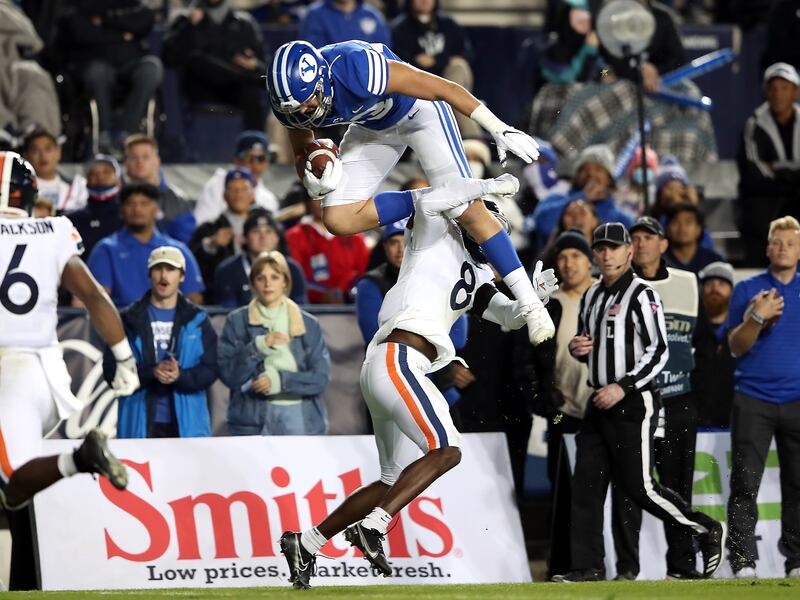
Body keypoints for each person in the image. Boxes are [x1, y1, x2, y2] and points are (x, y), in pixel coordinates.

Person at [277, 191, 557, 589]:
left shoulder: (476, 277)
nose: (493, 241)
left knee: (391, 479)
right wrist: (476, 184)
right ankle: (374, 526)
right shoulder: (435, 240)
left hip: (391, 365)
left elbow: (509, 318)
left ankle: (307, 542)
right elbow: (428, 202)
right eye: (489, 230)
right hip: (399, 360)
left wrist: (535, 299)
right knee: (447, 448)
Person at [267, 38, 555, 345]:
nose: (306, 112)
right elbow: (303, 150)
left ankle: (531, 304)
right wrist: (312, 177)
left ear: (323, 77)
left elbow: (445, 89)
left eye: (309, 102)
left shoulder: (357, 67)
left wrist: (496, 126)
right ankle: (434, 197)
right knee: (339, 219)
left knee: (469, 211)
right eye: (297, 109)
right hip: (372, 127)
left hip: (419, 113)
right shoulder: (292, 104)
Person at [552, 221, 724, 582]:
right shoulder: (593, 296)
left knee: (640, 488)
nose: (606, 254)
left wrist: (624, 386)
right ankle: (587, 568)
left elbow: (660, 350)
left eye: (613, 247)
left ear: (629, 252)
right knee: (585, 486)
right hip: (597, 403)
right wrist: (577, 349)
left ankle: (705, 528)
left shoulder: (643, 294)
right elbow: (590, 346)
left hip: (633, 403)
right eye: (600, 248)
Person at [0, 152, 138, 587]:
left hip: (7, 374)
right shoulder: (54, 229)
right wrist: (124, 356)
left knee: (9, 480)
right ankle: (25, 581)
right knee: (15, 489)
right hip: (43, 368)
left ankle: (80, 457)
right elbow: (94, 296)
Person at [611, 216, 715, 580]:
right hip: (636, 403)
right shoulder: (614, 286)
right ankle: (627, 569)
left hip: (678, 401)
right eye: (634, 238)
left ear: (663, 245)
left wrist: (693, 396)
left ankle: (683, 566)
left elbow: (703, 345)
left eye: (647, 237)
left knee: (677, 487)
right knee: (630, 487)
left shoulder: (688, 283)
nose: (640, 243)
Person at [725, 216, 800, 579]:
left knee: (799, 483)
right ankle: (742, 560)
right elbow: (735, 347)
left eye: (790, 242)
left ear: (799, 249)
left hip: (798, 400)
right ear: (767, 247)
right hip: (752, 397)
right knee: (744, 482)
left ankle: (797, 561)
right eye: (777, 242)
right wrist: (756, 316)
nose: (783, 247)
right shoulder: (746, 288)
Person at [102, 247, 217, 438]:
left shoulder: (198, 320)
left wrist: (181, 376)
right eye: (158, 268)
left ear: (182, 276)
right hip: (138, 425)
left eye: (171, 269)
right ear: (149, 274)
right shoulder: (128, 320)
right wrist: (151, 372)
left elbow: (211, 369)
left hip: (188, 428)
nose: (164, 275)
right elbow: (111, 371)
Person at [218, 250, 331, 436]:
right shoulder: (236, 321)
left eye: (274, 277)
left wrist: (280, 381)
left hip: (300, 416)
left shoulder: (309, 324)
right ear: (253, 282)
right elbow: (229, 375)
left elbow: (321, 378)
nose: (268, 283)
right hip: (252, 418)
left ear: (285, 281)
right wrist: (258, 346)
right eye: (261, 277)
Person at [60, 0, 163, 151]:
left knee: (151, 67)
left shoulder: (133, 4)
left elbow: (145, 21)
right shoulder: (83, 5)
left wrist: (105, 22)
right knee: (97, 72)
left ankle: (128, 134)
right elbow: (82, 34)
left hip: (131, 64)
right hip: (98, 63)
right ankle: (104, 134)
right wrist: (123, 35)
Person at [88, 183, 205, 307]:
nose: (137, 209)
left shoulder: (178, 250)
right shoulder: (106, 249)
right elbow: (98, 299)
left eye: (144, 203)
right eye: (131, 203)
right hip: (121, 322)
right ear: (122, 210)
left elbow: (193, 297)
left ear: (156, 209)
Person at [161, 0, 267, 130]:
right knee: (197, 60)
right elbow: (169, 58)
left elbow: (264, 67)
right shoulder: (185, 19)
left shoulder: (244, 22)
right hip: (201, 89)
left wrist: (254, 65)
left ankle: (255, 144)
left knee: (251, 93)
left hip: (234, 89)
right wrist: (190, 26)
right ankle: (247, 78)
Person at [737, 62, 800, 266]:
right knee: (757, 209)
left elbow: (768, 171)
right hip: (765, 203)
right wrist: (794, 173)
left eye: (784, 88)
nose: (778, 94)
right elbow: (753, 174)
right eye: (773, 88)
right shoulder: (755, 124)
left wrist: (778, 168)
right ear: (766, 92)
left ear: (796, 92)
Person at [390, 0, 480, 138]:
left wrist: (436, 60)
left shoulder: (448, 24)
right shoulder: (400, 27)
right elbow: (396, 62)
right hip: (418, 85)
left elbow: (466, 54)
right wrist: (418, 62)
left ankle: (472, 138)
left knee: (459, 68)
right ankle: (474, 140)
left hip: (449, 79)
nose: (425, 1)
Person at [531, 144, 634, 252]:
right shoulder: (555, 200)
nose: (591, 173)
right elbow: (544, 226)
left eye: (598, 169)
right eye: (585, 169)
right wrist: (582, 197)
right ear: (576, 176)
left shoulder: (622, 219)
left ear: (609, 179)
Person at [286, 193, 370, 304]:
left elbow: (365, 274)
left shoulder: (355, 235)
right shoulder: (294, 236)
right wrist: (320, 295)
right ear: (308, 201)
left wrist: (346, 293)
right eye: (317, 197)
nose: (323, 202)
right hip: (310, 308)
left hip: (351, 308)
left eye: (328, 196)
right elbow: (294, 278)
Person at [215, 208, 307, 307]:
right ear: (244, 238)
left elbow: (301, 309)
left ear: (277, 238)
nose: (263, 237)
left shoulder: (291, 269)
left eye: (268, 232)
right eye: (256, 231)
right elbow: (225, 313)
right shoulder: (227, 270)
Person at [190, 168, 257, 298]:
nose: (238, 194)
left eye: (244, 189)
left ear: (252, 195)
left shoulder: (266, 224)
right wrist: (211, 244)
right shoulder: (209, 228)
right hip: (222, 297)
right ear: (224, 195)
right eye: (233, 189)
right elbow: (191, 262)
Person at [0, 2, 61, 138]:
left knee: (34, 75)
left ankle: (37, 134)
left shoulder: (8, 8)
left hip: (11, 58)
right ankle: (5, 129)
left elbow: (30, 37)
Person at [194, 130, 279, 225]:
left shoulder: (268, 199)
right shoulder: (217, 185)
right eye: (249, 157)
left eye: (260, 158)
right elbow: (202, 224)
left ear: (267, 163)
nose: (255, 164)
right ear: (237, 160)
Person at [122, 134, 195, 243]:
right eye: (134, 157)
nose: (140, 162)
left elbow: (185, 241)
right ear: (126, 163)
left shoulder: (177, 201)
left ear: (157, 161)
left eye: (146, 157)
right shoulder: (116, 200)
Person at [698, 261, 736, 428]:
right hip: (697, 417)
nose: (715, 289)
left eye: (721, 284)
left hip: (732, 418)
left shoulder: (741, 331)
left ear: (732, 291)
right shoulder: (690, 329)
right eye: (709, 284)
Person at [67, 154, 124, 259]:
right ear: (87, 181)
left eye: (106, 172)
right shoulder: (73, 219)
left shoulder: (129, 215)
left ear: (118, 180)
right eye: (93, 173)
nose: (100, 177)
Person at [21, 129, 87, 214]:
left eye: (48, 149)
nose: (43, 156)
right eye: (35, 151)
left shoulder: (78, 186)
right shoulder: (20, 190)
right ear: (25, 155)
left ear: (58, 152)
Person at [300, 0, 391, 48]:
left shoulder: (373, 15)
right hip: (329, 77)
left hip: (368, 77)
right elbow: (312, 51)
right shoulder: (315, 14)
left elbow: (384, 51)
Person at [663, 203, 724, 275]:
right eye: (675, 222)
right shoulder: (659, 260)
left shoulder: (714, 262)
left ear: (699, 228)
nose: (682, 228)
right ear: (667, 228)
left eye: (688, 222)